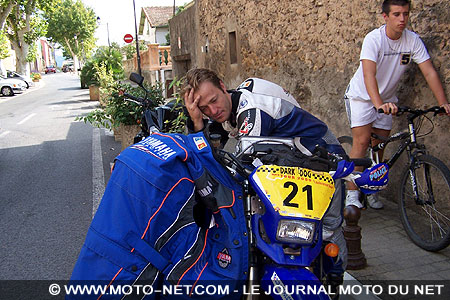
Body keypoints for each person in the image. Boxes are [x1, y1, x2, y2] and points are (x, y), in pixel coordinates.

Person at [183, 68, 348, 277]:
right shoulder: (233, 104)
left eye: (214, 100)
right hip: (297, 164)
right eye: (204, 108)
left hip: (325, 161)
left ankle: (337, 279)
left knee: (326, 230)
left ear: (223, 86)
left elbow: (239, 167)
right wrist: (197, 121)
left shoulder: (253, 110)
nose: (212, 111)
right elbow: (215, 150)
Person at [344, 0, 450, 209]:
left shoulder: (412, 41)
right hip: (362, 97)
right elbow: (369, 74)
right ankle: (352, 193)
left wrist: (443, 103)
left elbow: (428, 71)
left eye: (405, 14)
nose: (402, 19)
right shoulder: (374, 39)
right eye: (396, 14)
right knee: (363, 142)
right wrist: (378, 104)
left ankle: (372, 189)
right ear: (385, 17)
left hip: (387, 101)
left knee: (380, 146)